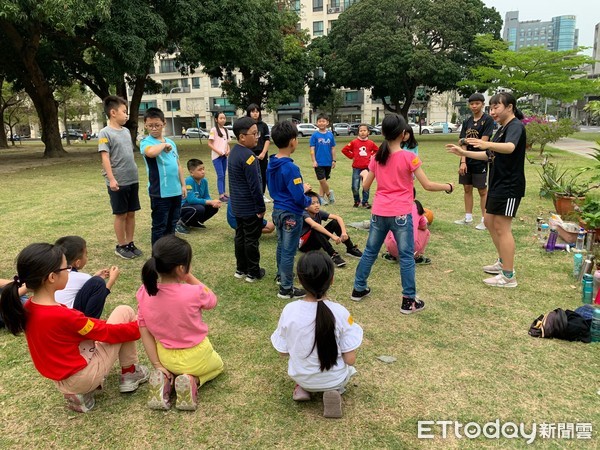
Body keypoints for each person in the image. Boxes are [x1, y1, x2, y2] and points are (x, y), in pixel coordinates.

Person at [0, 243, 149, 413]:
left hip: (61, 379)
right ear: (51, 277)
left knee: (116, 323)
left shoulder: (28, 308)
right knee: (125, 311)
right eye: (67, 268)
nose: (69, 271)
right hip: (81, 376)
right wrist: (141, 326)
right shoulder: (62, 315)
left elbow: (87, 328)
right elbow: (108, 333)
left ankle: (80, 393)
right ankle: (130, 372)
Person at [351, 114, 454, 314]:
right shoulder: (409, 157)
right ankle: (408, 301)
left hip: (379, 212)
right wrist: (448, 186)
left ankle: (358, 288)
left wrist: (364, 173)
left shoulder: (376, 157)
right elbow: (427, 185)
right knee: (407, 256)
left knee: (370, 251)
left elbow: (365, 185)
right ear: (404, 134)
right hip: (401, 213)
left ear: (382, 133)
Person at [446, 92, 526, 288]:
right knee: (489, 221)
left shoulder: (515, 126)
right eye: (491, 108)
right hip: (498, 183)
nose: (493, 111)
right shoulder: (502, 128)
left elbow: (509, 147)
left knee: (502, 227)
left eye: (496, 107)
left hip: (509, 185)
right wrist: (464, 152)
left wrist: (485, 142)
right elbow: (489, 154)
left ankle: (508, 276)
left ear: (509, 107)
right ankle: (502, 262)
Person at [271, 251, 363, 418]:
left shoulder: (289, 310)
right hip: (333, 379)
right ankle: (334, 390)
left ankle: (303, 388)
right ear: (332, 280)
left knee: (303, 370)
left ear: (299, 280)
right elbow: (350, 359)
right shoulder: (340, 312)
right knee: (348, 371)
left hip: (301, 375)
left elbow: (282, 352)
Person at [137, 235, 223, 411]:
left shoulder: (144, 292)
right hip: (197, 355)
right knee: (218, 366)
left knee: (172, 368)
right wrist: (189, 277)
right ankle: (192, 381)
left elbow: (144, 330)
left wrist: (157, 364)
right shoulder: (194, 292)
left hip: (165, 357)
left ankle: (167, 379)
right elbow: (212, 300)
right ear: (181, 268)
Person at [266, 121, 312, 299]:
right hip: (291, 213)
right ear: (293, 141)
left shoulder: (272, 163)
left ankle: (281, 275)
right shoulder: (291, 168)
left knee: (281, 245)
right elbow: (298, 197)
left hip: (277, 211)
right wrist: (308, 200)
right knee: (289, 251)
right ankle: (286, 288)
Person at [98, 95, 143, 260]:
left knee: (131, 213)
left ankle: (130, 243)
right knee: (121, 214)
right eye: (124, 112)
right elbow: (105, 157)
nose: (126, 115)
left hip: (132, 178)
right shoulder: (104, 133)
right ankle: (121, 245)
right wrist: (111, 179)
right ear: (113, 112)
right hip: (118, 181)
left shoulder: (125, 131)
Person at [140, 107, 187, 246]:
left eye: (157, 125)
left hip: (175, 191)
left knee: (172, 224)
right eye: (150, 126)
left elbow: (178, 164)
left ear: (164, 123)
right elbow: (151, 153)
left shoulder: (171, 143)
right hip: (160, 192)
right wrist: (163, 145)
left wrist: (183, 185)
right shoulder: (146, 142)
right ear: (145, 125)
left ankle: (169, 252)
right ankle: (157, 255)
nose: (154, 129)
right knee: (160, 226)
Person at [228, 116, 267, 282]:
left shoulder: (234, 152)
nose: (257, 137)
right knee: (251, 239)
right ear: (242, 137)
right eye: (254, 134)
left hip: (237, 206)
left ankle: (240, 269)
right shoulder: (249, 157)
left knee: (240, 237)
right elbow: (255, 186)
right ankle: (253, 272)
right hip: (250, 207)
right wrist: (260, 207)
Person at [453, 93, 495, 231]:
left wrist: (466, 140)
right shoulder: (467, 121)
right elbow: (461, 141)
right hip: (466, 159)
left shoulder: (487, 120)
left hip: (480, 159)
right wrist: (463, 161)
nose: (474, 106)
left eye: (477, 103)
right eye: (471, 104)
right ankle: (468, 217)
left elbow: (483, 142)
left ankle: (485, 220)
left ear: (483, 104)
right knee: (467, 188)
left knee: (482, 190)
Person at [54, 236, 120, 319]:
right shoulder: (83, 278)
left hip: (55, 317)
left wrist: (94, 277)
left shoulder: (54, 274)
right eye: (86, 254)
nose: (87, 257)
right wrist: (112, 280)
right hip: (72, 321)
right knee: (98, 282)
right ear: (77, 262)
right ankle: (92, 324)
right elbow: (99, 292)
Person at [300, 191, 363, 268]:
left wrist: (344, 232)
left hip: (317, 241)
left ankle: (350, 248)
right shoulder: (303, 213)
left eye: (317, 202)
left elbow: (338, 218)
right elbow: (314, 225)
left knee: (334, 222)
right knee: (316, 229)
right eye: (312, 203)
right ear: (305, 206)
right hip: (305, 246)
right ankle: (333, 255)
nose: (316, 205)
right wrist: (332, 236)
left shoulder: (318, 212)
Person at [382, 189, 431, 265]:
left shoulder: (392, 207)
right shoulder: (417, 208)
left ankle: (391, 255)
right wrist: (415, 226)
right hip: (411, 251)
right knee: (426, 232)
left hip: (393, 248)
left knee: (388, 226)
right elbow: (424, 227)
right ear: (414, 198)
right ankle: (417, 257)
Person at [176, 159, 221, 234]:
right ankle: (180, 224)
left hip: (195, 206)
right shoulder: (189, 181)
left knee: (213, 208)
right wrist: (210, 202)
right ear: (191, 172)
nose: (203, 171)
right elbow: (191, 200)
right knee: (199, 208)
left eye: (203, 169)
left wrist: (213, 203)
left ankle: (194, 222)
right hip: (183, 206)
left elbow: (206, 196)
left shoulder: (204, 181)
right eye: (200, 170)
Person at [341, 123, 379, 208]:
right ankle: (357, 200)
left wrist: (372, 156)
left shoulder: (371, 143)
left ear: (368, 132)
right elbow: (344, 150)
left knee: (366, 185)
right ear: (358, 132)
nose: (362, 132)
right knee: (355, 186)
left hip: (367, 168)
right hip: (356, 168)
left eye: (364, 131)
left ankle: (365, 202)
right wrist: (352, 156)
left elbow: (377, 150)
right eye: (360, 131)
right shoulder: (354, 142)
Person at [309, 113, 336, 205]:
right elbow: (312, 149)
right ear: (317, 123)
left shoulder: (330, 135)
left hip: (328, 162)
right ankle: (329, 193)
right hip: (318, 162)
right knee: (321, 180)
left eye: (323, 121)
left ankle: (320, 198)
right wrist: (314, 161)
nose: (321, 123)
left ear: (327, 123)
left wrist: (334, 160)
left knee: (324, 181)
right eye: (319, 121)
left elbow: (333, 148)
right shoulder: (314, 136)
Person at [246, 104, 271, 202]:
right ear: (249, 113)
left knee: (263, 174)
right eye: (252, 111)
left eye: (257, 111)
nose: (255, 113)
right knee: (251, 173)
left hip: (262, 154)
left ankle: (262, 194)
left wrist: (263, 153)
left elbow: (267, 139)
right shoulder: (246, 125)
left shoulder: (263, 125)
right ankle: (251, 194)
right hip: (249, 153)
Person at [208, 112, 231, 203]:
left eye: (224, 118)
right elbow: (209, 143)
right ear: (216, 119)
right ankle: (221, 195)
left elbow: (227, 143)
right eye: (221, 118)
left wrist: (228, 151)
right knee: (220, 175)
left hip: (224, 157)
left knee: (224, 175)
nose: (223, 120)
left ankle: (224, 193)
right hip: (216, 157)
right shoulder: (213, 130)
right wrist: (218, 152)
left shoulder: (226, 130)